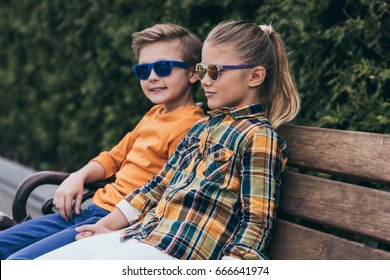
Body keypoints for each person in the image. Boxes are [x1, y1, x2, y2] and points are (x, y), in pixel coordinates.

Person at [37, 20, 301, 260]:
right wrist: (107, 226)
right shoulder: (203, 128)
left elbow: (256, 221)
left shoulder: (260, 137)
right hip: (141, 236)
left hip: (177, 251)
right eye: (203, 69)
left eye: (215, 71)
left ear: (255, 76)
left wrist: (235, 263)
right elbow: (158, 185)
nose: (205, 81)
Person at [0, 23, 204, 260]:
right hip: (87, 210)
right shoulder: (155, 115)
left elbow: (170, 195)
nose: (153, 77)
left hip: (113, 222)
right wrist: (79, 175)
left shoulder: (191, 128)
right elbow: (114, 157)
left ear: (192, 73)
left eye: (163, 67)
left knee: (18, 262)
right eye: (143, 71)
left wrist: (119, 228)